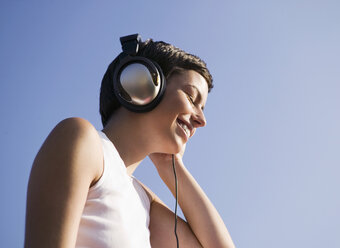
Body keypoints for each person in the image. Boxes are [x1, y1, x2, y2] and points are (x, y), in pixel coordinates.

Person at [25, 35, 235, 248]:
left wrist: (172, 169)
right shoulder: (81, 139)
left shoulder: (143, 199)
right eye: (192, 98)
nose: (202, 120)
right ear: (140, 83)